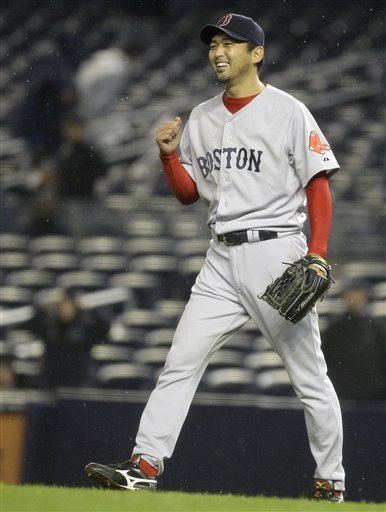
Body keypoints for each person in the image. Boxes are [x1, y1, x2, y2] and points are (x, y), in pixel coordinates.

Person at [85, 14, 345, 502]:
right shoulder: (201, 116)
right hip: (220, 259)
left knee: (308, 375)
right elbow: (189, 194)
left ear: (257, 54)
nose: (218, 51)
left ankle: (331, 479)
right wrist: (168, 157)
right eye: (213, 45)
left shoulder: (289, 111)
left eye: (231, 43)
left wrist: (317, 254)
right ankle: (145, 463)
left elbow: (318, 183)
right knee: (180, 362)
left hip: (276, 253)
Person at [322, 281, 386, 400]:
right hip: (342, 395)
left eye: (358, 294)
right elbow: (327, 362)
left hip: (375, 397)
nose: (354, 298)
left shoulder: (377, 328)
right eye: (350, 294)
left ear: (365, 296)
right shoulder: (334, 329)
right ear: (344, 296)